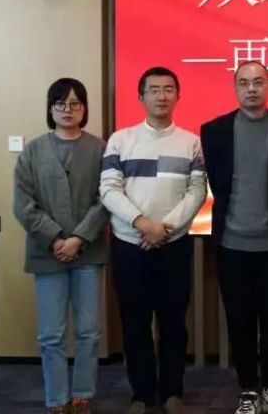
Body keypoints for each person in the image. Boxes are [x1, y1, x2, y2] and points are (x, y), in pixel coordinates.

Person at [100, 67, 207, 414]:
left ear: (178, 95)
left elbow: (196, 191)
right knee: (135, 324)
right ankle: (142, 395)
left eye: (168, 89)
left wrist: (165, 229)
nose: (162, 96)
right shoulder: (121, 140)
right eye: (154, 90)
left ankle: (172, 391)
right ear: (141, 97)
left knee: (174, 323)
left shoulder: (190, 142)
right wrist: (143, 224)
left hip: (173, 246)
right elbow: (108, 189)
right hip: (130, 245)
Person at [201, 61, 268, 414]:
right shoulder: (214, 131)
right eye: (244, 83)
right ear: (235, 88)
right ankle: (247, 389)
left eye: (259, 82)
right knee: (239, 320)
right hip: (231, 245)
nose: (252, 89)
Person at [13, 78, 107, 414]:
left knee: (88, 331)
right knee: (51, 334)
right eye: (60, 103)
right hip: (47, 254)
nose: (68, 110)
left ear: (84, 108)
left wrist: (79, 238)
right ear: (50, 109)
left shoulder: (100, 149)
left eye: (75, 103)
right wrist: (55, 238)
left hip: (88, 252)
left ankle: (82, 394)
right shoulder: (33, 150)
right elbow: (23, 204)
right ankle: (57, 399)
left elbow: (106, 198)